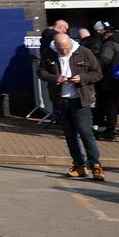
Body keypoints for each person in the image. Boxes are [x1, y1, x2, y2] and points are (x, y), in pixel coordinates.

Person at [40, 33, 104, 180]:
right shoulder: (48, 53)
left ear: (71, 43)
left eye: (66, 48)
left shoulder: (84, 52)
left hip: (80, 99)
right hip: (60, 100)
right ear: (55, 46)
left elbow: (98, 73)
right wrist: (55, 78)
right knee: (70, 135)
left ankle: (96, 165)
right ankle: (79, 165)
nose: (64, 52)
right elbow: (41, 72)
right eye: (61, 49)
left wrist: (82, 78)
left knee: (85, 133)